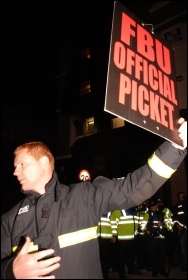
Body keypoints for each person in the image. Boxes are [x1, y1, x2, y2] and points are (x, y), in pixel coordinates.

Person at [1, 117, 187, 279]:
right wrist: (10, 271)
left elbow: (133, 187)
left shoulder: (83, 196)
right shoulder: (10, 219)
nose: (15, 172)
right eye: (15, 166)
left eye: (22, 164)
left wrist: (175, 147)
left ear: (43, 163)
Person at [172, 191, 187, 272]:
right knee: (183, 249)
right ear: (178, 197)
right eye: (180, 196)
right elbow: (173, 218)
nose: (182, 197)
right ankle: (184, 266)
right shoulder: (176, 207)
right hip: (182, 230)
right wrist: (177, 225)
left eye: (183, 196)